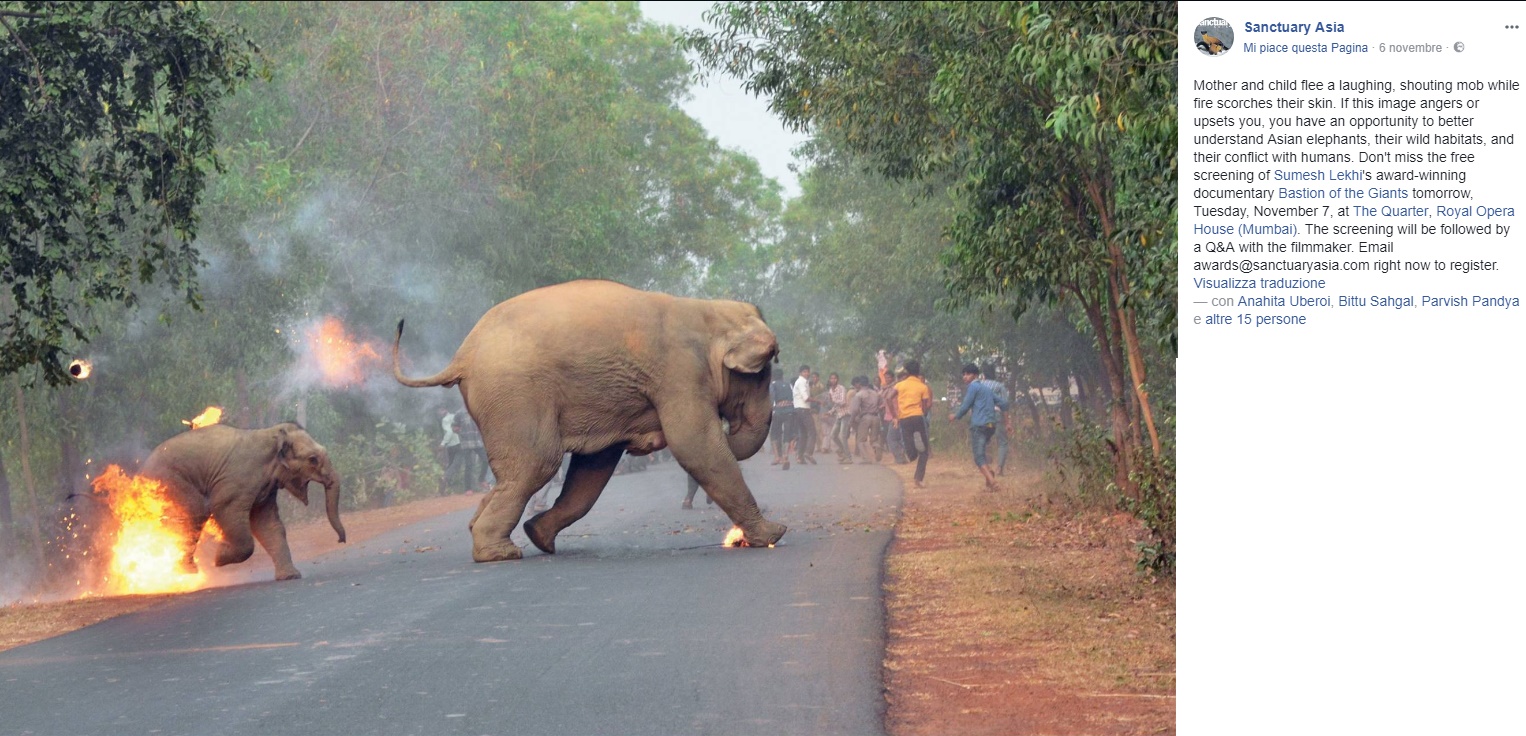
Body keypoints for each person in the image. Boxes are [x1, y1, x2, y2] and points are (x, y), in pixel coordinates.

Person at [950, 363, 1010, 492]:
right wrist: (1007, 422)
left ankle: (993, 483)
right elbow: (1004, 404)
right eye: (964, 374)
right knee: (982, 452)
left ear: (975, 375)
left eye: (968, 374)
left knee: (978, 457)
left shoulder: (973, 387)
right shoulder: (986, 389)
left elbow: (966, 406)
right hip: (991, 426)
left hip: (979, 425)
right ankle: (989, 478)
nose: (965, 377)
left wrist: (955, 416)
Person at [893, 360, 933, 487]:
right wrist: (923, 413)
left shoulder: (900, 385)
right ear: (918, 371)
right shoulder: (922, 386)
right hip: (918, 416)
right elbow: (926, 403)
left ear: (906, 371)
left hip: (904, 418)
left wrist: (895, 415)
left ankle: (912, 454)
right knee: (925, 451)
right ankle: (918, 478)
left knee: (908, 444)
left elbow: (888, 397)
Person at [977, 366, 1013, 475]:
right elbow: (1004, 405)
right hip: (995, 414)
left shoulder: (979, 386)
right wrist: (1007, 422)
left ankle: (986, 466)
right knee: (1002, 442)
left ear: (984, 375)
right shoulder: (999, 386)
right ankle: (999, 468)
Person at [847, 376, 883, 462]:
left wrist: (851, 421)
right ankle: (877, 447)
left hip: (865, 417)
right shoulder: (875, 393)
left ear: (860, 384)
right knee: (874, 439)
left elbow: (855, 410)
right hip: (876, 417)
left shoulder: (859, 394)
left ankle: (866, 458)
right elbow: (881, 405)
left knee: (861, 440)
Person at [769, 372, 797, 469]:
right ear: (782, 377)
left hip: (778, 411)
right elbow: (794, 396)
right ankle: (785, 456)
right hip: (790, 410)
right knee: (787, 433)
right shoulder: (789, 384)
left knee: (774, 433)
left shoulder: (773, 385)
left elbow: (772, 397)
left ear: (773, 377)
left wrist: (770, 408)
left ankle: (777, 457)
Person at [881, 368, 908, 464]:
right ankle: (901, 457)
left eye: (889, 377)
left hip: (896, 415)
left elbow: (891, 400)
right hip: (891, 415)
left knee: (891, 438)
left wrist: (895, 416)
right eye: (886, 377)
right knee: (897, 438)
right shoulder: (887, 387)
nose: (887, 379)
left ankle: (900, 458)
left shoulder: (896, 387)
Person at [792, 364, 817, 464]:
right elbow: (806, 398)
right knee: (812, 432)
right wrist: (819, 401)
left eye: (807, 371)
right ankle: (808, 452)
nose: (807, 373)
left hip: (798, 410)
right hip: (803, 410)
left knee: (803, 434)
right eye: (804, 372)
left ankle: (800, 456)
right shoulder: (801, 382)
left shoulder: (803, 382)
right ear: (800, 373)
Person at [456, 409, 486, 491]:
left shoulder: (477, 411)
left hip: (477, 442)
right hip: (466, 443)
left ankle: (481, 479)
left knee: (486, 460)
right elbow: (454, 427)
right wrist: (460, 432)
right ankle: (468, 489)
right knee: (468, 465)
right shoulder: (459, 413)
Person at [826, 372, 852, 462]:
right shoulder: (830, 390)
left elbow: (843, 401)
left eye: (835, 378)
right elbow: (835, 405)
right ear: (829, 380)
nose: (833, 380)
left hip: (845, 414)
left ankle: (848, 457)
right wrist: (830, 412)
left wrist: (833, 402)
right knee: (833, 435)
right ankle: (843, 452)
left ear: (838, 379)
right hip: (838, 415)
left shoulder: (841, 388)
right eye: (831, 378)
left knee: (842, 436)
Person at [437, 407, 462, 495]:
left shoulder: (445, 419)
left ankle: (446, 482)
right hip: (458, 443)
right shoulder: (455, 416)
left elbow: (449, 432)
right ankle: (447, 482)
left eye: (440, 410)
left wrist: (443, 444)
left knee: (452, 464)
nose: (439, 413)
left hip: (452, 445)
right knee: (454, 464)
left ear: (445, 410)